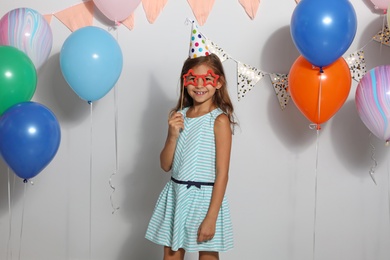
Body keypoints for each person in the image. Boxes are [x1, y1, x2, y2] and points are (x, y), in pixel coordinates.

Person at [145, 24, 236, 260]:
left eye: (207, 78)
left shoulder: (220, 121)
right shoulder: (180, 115)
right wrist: (172, 134)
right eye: (192, 79)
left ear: (218, 83)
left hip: (205, 198)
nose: (199, 85)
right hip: (177, 195)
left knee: (207, 255)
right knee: (172, 254)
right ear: (185, 81)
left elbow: (222, 173)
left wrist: (212, 217)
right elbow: (165, 165)